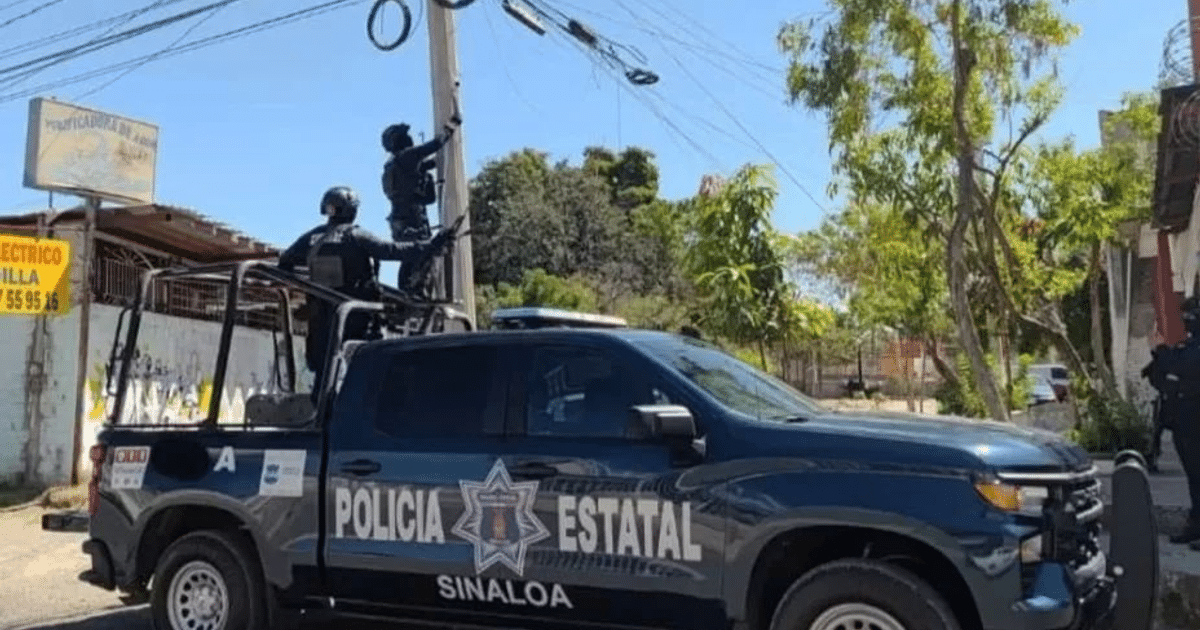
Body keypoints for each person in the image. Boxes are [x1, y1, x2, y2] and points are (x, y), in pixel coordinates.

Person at [278, 185, 454, 402]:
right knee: (367, 373)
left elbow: (285, 262)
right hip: (357, 319)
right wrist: (431, 245)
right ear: (351, 210)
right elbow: (393, 251)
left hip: (321, 322)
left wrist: (307, 288)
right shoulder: (356, 236)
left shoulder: (311, 239)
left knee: (325, 377)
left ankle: (321, 419)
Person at [1142, 296, 1200, 547]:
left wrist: (1161, 351)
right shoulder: (1187, 346)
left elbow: (1185, 366)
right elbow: (1162, 373)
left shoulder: (1192, 350)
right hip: (1183, 421)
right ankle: (1195, 525)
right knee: (1194, 477)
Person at [381, 115, 461, 243]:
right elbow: (435, 144)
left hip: (400, 225)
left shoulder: (393, 165)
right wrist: (450, 127)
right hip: (413, 222)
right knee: (426, 258)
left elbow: (427, 166)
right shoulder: (406, 156)